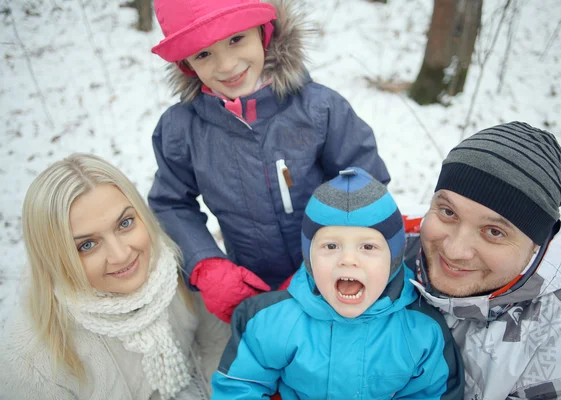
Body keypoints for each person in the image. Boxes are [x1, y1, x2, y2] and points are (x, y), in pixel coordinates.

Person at [148, 0, 390, 323]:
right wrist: (207, 265)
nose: (226, 65)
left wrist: (327, 264)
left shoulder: (318, 110)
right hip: (252, 298)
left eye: (236, 39)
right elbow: (170, 203)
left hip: (337, 288)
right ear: (187, 64)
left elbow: (365, 185)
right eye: (203, 54)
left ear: (264, 31)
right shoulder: (183, 130)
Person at [210, 167, 464, 399]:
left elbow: (433, 393)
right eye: (330, 246)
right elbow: (240, 385)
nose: (348, 260)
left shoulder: (422, 331)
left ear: (394, 258)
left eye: (368, 246)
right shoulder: (273, 320)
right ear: (309, 257)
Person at [0, 153, 230, 400]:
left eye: (125, 223)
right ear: (55, 258)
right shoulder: (30, 361)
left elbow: (217, 344)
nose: (121, 255)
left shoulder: (172, 265)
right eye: (87, 245)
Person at [403, 122, 561, 399]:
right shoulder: (389, 253)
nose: (455, 250)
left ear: (536, 244)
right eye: (448, 212)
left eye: (494, 232)